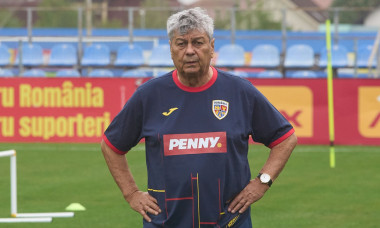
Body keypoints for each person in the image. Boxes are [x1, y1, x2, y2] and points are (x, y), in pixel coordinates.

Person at [101, 7, 297, 228]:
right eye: (181, 43)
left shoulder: (239, 91)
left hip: (230, 222)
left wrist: (262, 182)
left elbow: (285, 138)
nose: (190, 51)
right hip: (166, 222)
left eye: (198, 42)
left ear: (212, 47)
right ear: (171, 49)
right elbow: (111, 145)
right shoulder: (149, 96)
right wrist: (131, 193)